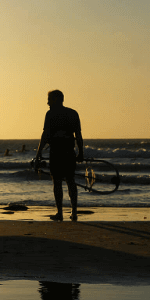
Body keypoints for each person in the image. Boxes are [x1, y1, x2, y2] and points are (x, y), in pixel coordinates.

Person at [36, 90, 84, 221]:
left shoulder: (50, 114)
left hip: (57, 153)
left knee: (57, 182)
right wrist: (81, 152)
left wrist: (39, 152)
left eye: (49, 100)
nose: (47, 103)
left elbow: (45, 134)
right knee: (70, 181)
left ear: (56, 100)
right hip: (69, 152)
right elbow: (78, 136)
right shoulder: (73, 113)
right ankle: (73, 212)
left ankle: (60, 213)